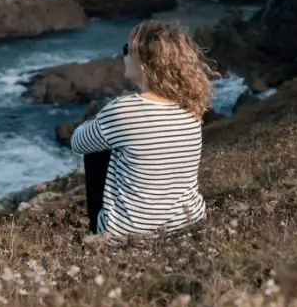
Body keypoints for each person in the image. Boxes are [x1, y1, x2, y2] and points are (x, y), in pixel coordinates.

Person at [70, 21, 213, 239]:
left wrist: (98, 119)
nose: (124, 55)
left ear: (144, 64)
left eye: (127, 49)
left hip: (128, 235)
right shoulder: (192, 106)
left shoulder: (123, 110)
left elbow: (77, 142)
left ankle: (100, 231)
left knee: (97, 147)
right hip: (188, 224)